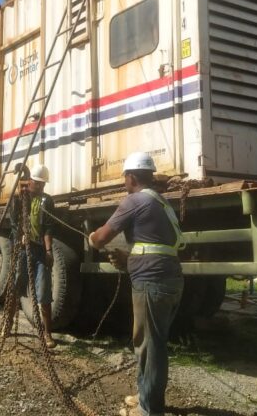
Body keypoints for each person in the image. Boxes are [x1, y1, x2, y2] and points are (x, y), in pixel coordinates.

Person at [88, 152, 184, 416]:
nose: (123, 183)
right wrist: (129, 258)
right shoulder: (160, 202)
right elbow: (156, 245)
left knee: (150, 345)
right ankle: (145, 395)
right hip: (169, 279)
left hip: (152, 282)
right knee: (150, 341)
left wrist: (91, 238)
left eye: (124, 178)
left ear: (131, 177)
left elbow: (101, 238)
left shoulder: (134, 200)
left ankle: (148, 409)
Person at [13, 164, 57, 348]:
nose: (40, 187)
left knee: (44, 292)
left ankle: (47, 334)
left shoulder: (47, 201)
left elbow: (48, 227)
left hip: (39, 250)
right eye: (37, 184)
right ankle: (8, 326)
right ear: (30, 181)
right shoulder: (20, 198)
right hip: (23, 249)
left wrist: (48, 251)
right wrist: (20, 235)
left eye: (43, 184)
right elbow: (13, 221)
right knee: (15, 288)